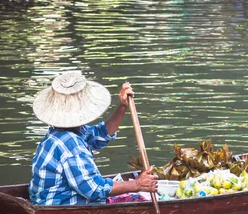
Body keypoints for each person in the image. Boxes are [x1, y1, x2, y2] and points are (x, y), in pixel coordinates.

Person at [29, 71, 158, 205]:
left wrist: (123, 106)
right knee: (138, 197)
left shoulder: (60, 133)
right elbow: (93, 188)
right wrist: (137, 184)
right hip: (61, 204)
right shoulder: (70, 143)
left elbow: (100, 134)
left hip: (46, 199)